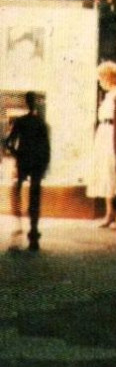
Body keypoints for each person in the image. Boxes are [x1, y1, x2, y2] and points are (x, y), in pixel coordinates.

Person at [86, 61, 116, 229]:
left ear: (109, 77)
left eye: (101, 77)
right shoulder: (107, 95)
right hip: (104, 134)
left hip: (114, 136)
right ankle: (109, 214)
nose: (99, 81)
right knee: (107, 174)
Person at [4, 92, 49, 251]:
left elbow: (8, 142)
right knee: (34, 195)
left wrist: (17, 154)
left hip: (24, 160)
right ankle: (33, 230)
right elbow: (46, 147)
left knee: (16, 191)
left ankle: (20, 225)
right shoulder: (40, 123)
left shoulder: (21, 122)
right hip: (36, 161)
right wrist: (44, 164)